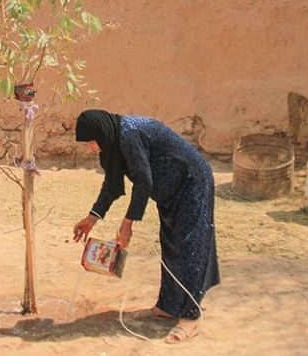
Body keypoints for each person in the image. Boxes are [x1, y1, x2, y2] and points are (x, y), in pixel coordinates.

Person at [72, 109, 219, 344]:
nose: (91, 147)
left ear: (102, 133)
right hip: (170, 192)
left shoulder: (129, 135)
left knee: (190, 246)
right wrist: (91, 218)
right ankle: (168, 306)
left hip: (192, 181)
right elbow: (112, 185)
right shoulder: (110, 145)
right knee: (171, 243)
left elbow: (143, 181)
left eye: (91, 141)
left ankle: (192, 317)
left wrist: (127, 224)